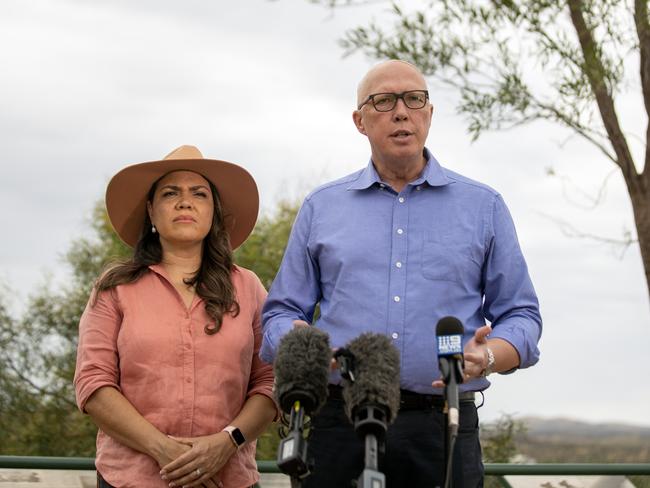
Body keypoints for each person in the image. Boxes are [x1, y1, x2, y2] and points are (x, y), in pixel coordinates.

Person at [260, 60, 542, 487]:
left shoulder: (484, 207)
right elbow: (279, 313)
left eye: (414, 99)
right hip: (338, 422)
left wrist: (486, 357)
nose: (401, 111)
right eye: (384, 101)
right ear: (360, 121)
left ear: (429, 114)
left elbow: (523, 318)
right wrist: (304, 345)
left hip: (443, 425)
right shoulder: (321, 207)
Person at [74, 145, 277, 488]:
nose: (185, 202)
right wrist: (165, 451)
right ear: (151, 212)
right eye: (171, 193)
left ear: (214, 212)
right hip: (131, 480)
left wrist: (226, 443)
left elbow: (271, 383)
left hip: (228, 479)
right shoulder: (114, 289)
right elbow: (93, 384)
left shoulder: (249, 288)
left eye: (199, 193)